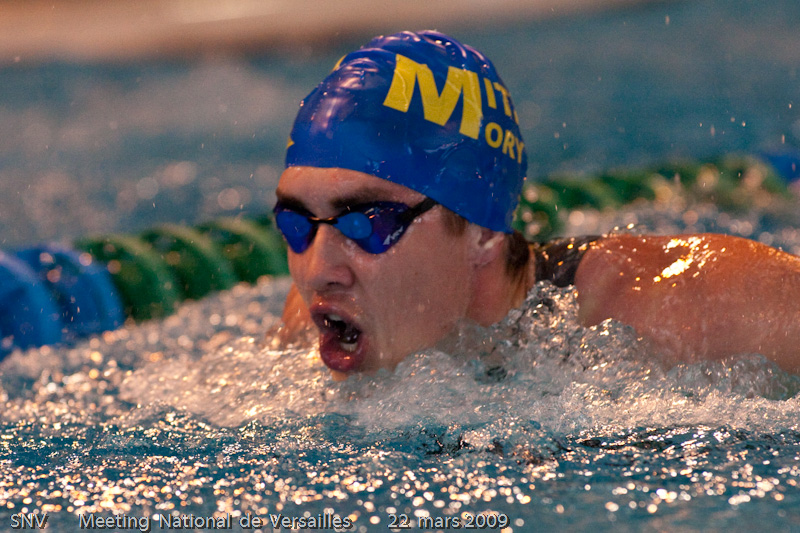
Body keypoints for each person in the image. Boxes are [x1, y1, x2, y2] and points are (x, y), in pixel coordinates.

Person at [273, 30, 800, 378]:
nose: (317, 272)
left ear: (482, 232)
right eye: (298, 223)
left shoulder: (680, 306)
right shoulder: (319, 318)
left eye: (365, 223)